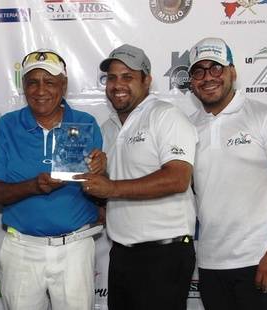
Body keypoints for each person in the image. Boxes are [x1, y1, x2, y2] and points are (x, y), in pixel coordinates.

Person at [187, 37, 267, 310]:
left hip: (260, 260)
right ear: (192, 81)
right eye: (199, 71)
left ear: (232, 72)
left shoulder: (266, 116)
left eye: (215, 68)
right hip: (209, 263)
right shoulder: (187, 127)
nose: (208, 77)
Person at [77, 44, 197, 310]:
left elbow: (178, 178)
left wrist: (110, 187)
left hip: (163, 254)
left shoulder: (165, 116)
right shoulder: (107, 128)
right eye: (112, 77)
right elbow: (108, 186)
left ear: (147, 80)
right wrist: (96, 182)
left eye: (128, 77)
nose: (118, 84)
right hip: (121, 254)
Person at [0, 49, 106, 310]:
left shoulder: (86, 124)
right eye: (32, 82)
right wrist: (34, 186)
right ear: (23, 87)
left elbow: (100, 195)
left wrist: (100, 172)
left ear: (63, 85)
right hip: (21, 250)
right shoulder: (7, 126)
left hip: (75, 247)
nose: (40, 90)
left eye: (49, 81)